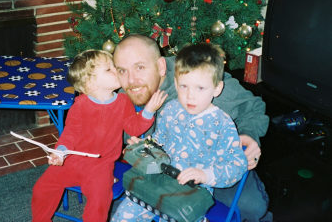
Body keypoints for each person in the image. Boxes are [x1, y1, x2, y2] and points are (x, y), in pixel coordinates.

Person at [113, 34, 272, 222]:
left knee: (252, 208)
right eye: (122, 71)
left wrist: (249, 134)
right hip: (164, 170)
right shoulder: (122, 97)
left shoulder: (196, 76)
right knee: (122, 205)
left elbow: (252, 107)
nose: (131, 81)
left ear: (161, 66)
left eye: (139, 67)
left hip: (213, 162)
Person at [31, 49, 167, 222]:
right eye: (109, 69)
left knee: (99, 200)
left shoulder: (123, 101)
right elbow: (70, 133)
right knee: (42, 187)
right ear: (90, 83)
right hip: (72, 160)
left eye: (113, 66)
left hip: (101, 165)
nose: (116, 70)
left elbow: (133, 128)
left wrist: (148, 111)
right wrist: (60, 152)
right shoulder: (80, 106)